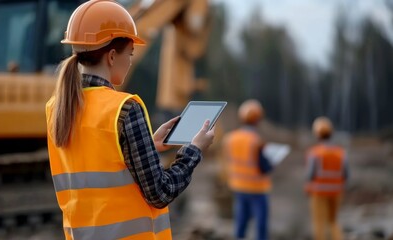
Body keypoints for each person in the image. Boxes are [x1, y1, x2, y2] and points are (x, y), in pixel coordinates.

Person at [45, 1, 215, 239]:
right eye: (130, 53)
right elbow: (161, 192)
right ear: (112, 56)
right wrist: (194, 150)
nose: (131, 60)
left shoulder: (56, 108)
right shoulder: (125, 109)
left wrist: (148, 146)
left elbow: (96, 161)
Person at [222, 99, 273, 240]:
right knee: (260, 227)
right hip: (257, 188)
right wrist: (271, 163)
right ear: (258, 119)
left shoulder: (230, 138)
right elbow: (264, 167)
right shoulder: (256, 140)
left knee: (240, 225)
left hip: (238, 186)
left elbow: (227, 162)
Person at [305, 117, 349, 240]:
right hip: (336, 192)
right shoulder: (341, 153)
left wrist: (308, 187)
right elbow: (346, 174)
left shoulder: (315, 153)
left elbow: (310, 175)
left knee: (319, 224)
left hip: (318, 193)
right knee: (333, 221)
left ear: (317, 135)